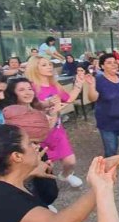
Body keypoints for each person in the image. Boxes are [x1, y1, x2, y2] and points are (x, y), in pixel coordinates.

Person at [24, 57, 86, 186]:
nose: (49, 67)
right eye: (44, 65)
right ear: (35, 68)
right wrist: (48, 108)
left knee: (70, 162)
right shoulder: (31, 88)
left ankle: (65, 175)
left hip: (57, 131)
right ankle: (47, 199)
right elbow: (28, 108)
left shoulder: (54, 85)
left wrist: (79, 84)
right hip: (39, 136)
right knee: (45, 168)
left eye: (50, 64)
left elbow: (68, 99)